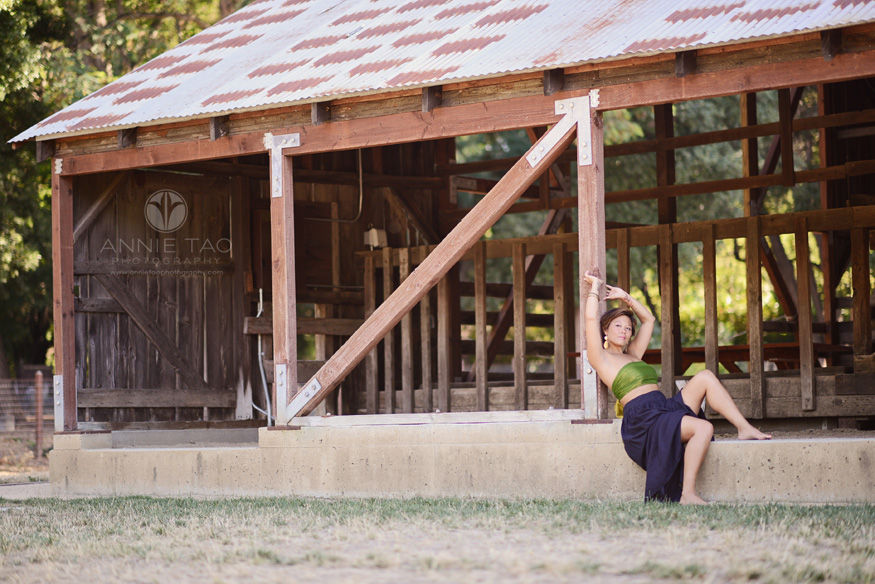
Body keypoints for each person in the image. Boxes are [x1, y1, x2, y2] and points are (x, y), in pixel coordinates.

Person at [583, 270, 771, 504]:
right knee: (703, 428)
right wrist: (595, 287)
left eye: (628, 328)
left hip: (662, 407)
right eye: (618, 326)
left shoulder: (633, 355)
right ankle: (687, 494)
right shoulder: (600, 358)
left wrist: (627, 298)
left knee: (704, 376)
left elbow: (649, 320)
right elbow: (590, 319)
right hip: (644, 421)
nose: (624, 331)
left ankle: (744, 428)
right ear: (605, 329)